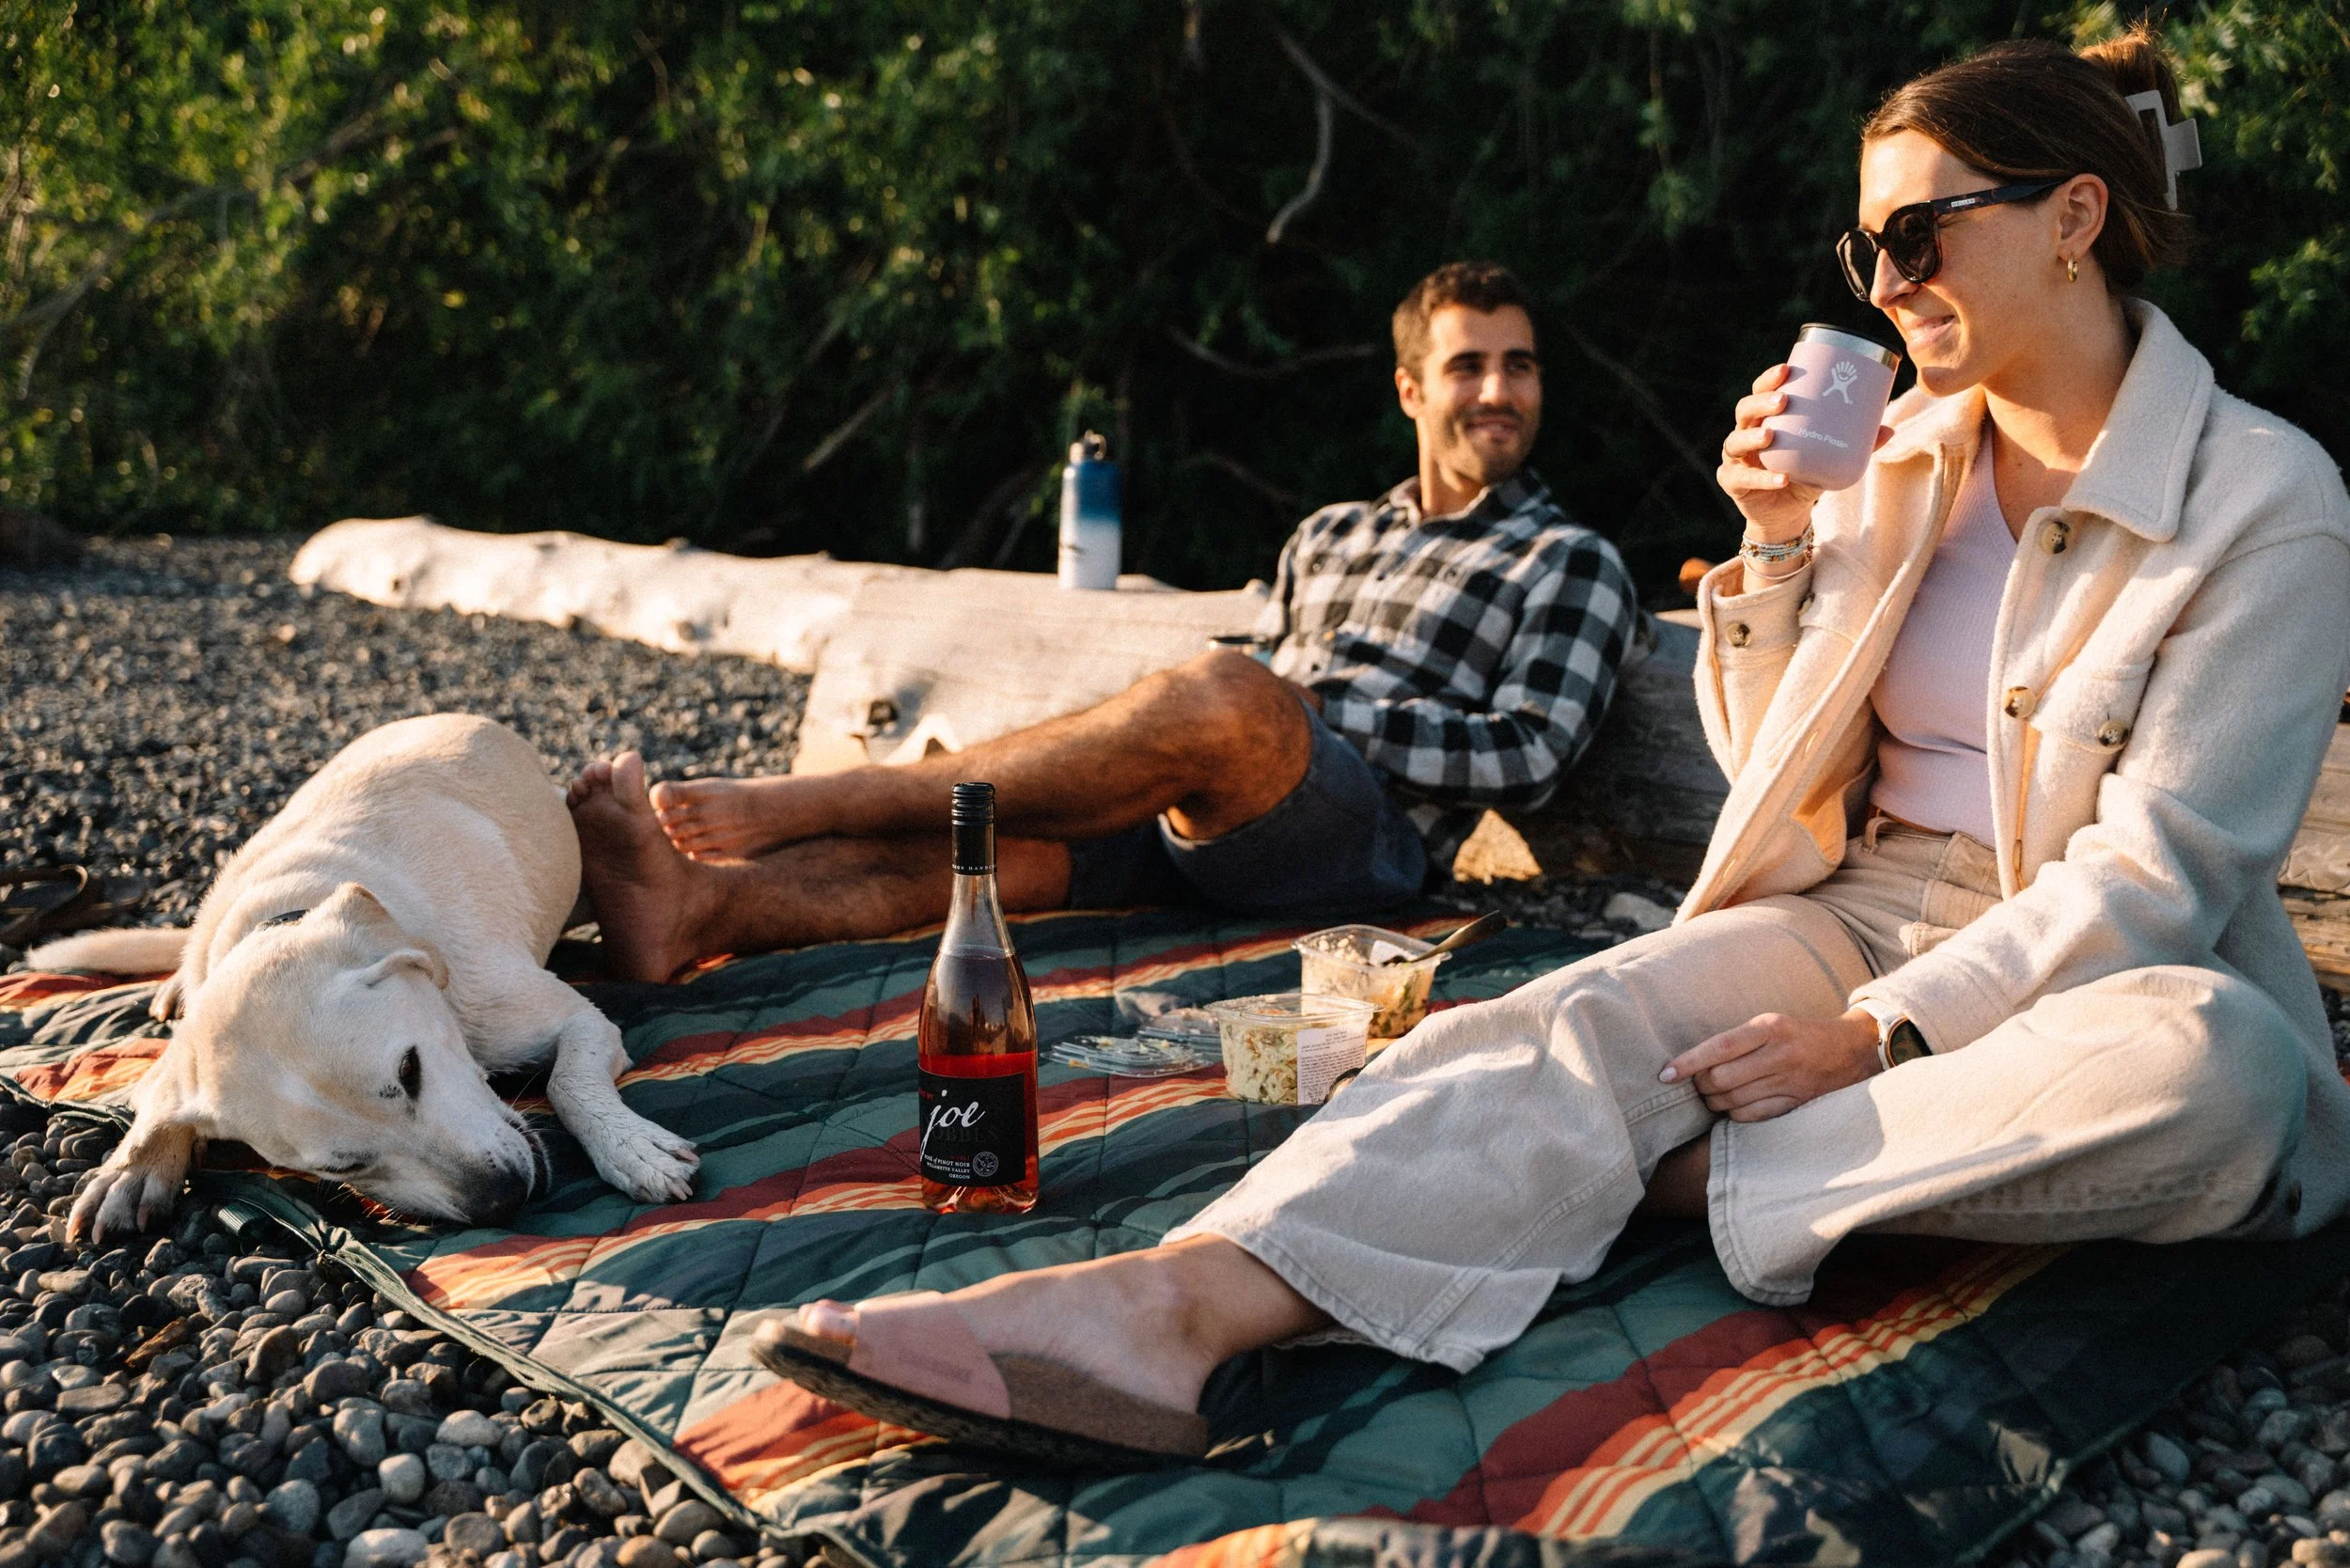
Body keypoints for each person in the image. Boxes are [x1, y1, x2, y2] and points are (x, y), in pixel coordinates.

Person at [746, 26, 2350, 1467]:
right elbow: (1772, 757)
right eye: (1865, 245)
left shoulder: (2264, 498)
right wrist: (1778, 544)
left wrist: (1878, 1039)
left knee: (2228, 1075)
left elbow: (2160, 875)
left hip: (2092, 969)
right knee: (1562, 1011)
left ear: (2076, 217)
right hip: (1854, 903)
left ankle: (1662, 1171)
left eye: (1919, 234)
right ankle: (1165, 1312)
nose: (1884, 283)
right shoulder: (1897, 454)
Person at [567, 262, 1640, 981]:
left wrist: (1313, 711)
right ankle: (699, 913)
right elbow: (1258, 695)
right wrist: (1257, 712)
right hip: (1223, 811)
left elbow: (1529, 756)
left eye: (1521, 364)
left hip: (1367, 850)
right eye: (1470, 364)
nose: (1500, 389)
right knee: (996, 851)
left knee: (1227, 690)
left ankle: (830, 793)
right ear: (1412, 389)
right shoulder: (1332, 533)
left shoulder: (1567, 559)